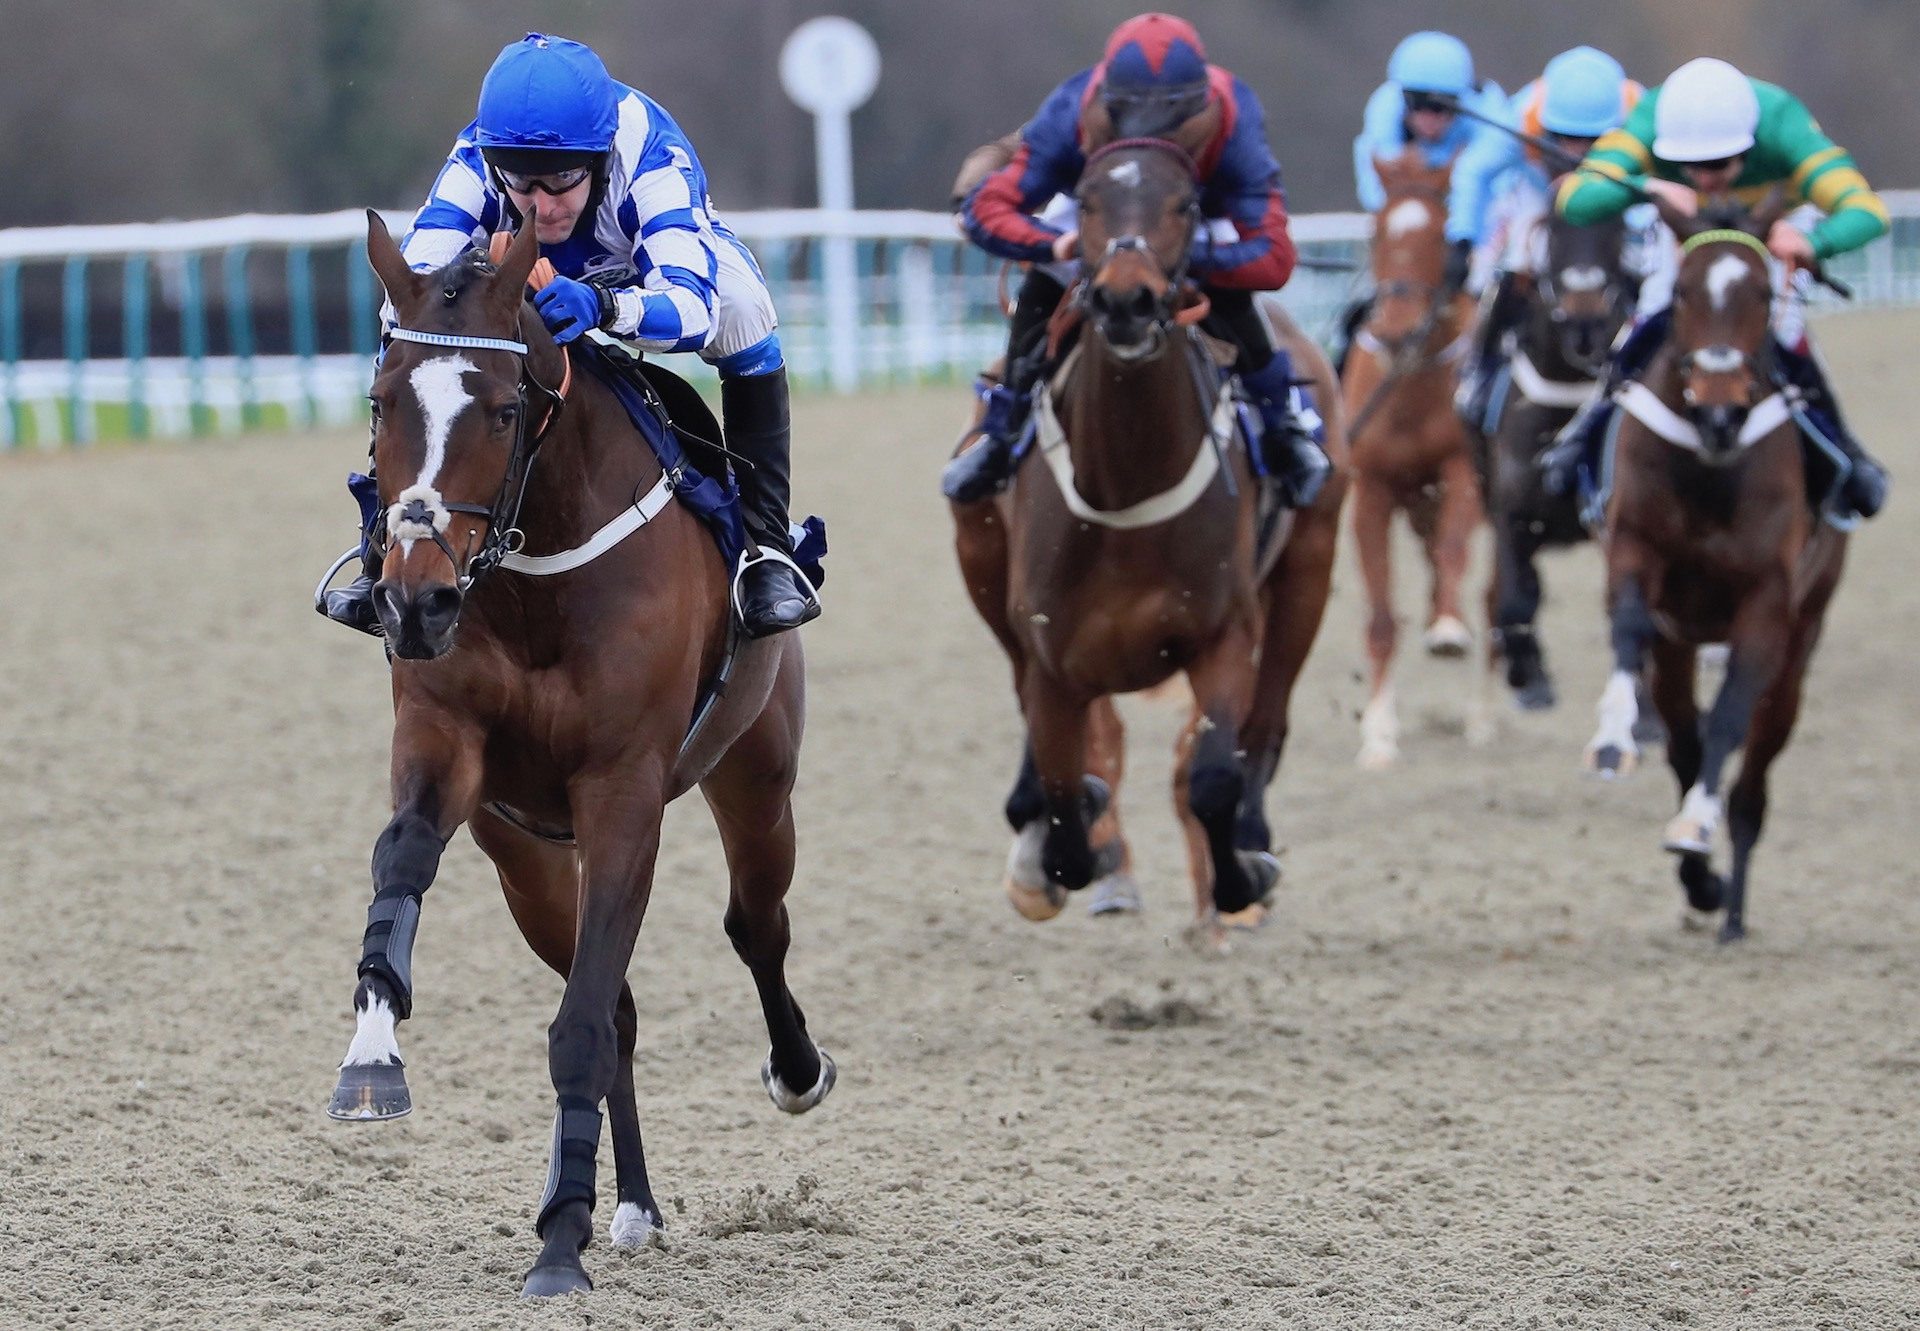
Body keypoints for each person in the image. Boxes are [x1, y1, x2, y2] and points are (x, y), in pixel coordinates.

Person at [320, 32, 819, 639]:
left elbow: (691, 307)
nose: (541, 205)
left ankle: (765, 549)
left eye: (561, 181)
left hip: (643, 271)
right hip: (525, 275)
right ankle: (381, 540)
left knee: (744, 309)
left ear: (601, 157)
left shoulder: (652, 157)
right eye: (521, 186)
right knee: (402, 320)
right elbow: (420, 272)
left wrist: (605, 305)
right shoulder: (479, 156)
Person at [940, 12, 1329, 509]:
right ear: (1108, 102)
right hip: (1100, 212)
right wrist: (1050, 245)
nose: (1153, 134)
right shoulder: (1072, 110)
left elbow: (1274, 258)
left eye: (1170, 122)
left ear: (1199, 104)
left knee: (1235, 297)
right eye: (1133, 117)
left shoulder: (1233, 114)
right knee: (1043, 286)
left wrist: (1192, 258)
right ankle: (1002, 429)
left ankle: (1281, 426)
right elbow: (987, 208)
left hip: (1186, 219)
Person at [1543, 56, 1890, 521]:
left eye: (1719, 164)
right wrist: (1646, 185)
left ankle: (1846, 455)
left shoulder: (1784, 124)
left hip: (1769, 228)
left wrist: (1813, 241)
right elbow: (1575, 200)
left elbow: (1868, 211)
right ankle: (1583, 438)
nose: (1705, 179)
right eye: (1689, 166)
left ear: (1749, 144)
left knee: (1785, 336)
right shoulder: (1650, 115)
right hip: (1688, 231)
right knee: (1646, 324)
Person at [1455, 46, 1650, 428]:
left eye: (1592, 140)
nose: (1575, 153)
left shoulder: (1642, 115)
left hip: (1615, 194)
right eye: (1562, 138)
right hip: (1538, 190)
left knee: (1642, 261)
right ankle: (1483, 365)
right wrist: (1461, 236)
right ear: (1544, 125)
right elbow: (1473, 171)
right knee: (1518, 261)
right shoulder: (1522, 114)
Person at [1352, 32, 1510, 299]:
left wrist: (1462, 242)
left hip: (1482, 219)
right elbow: (1380, 193)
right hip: (1419, 225)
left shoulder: (1491, 117)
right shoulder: (1383, 110)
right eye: (1418, 105)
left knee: (1484, 281)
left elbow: (1478, 185)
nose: (1428, 118)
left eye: (1440, 108)